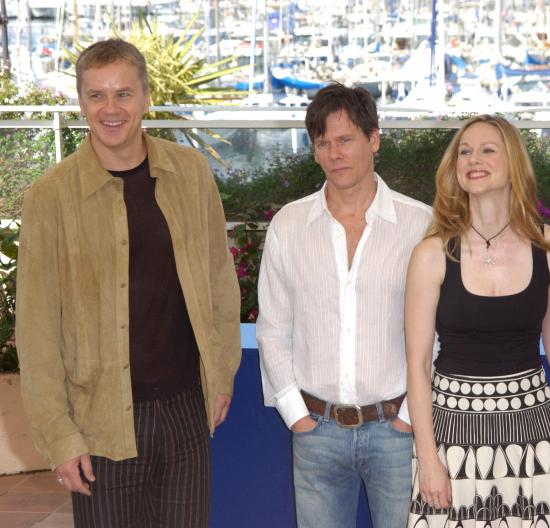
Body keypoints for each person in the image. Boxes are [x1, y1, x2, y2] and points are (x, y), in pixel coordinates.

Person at [16, 39, 241, 526]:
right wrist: (60, 436)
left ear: (145, 97)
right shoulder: (51, 197)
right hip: (99, 425)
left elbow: (220, 283)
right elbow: (35, 333)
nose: (111, 108)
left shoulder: (190, 173)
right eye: (97, 95)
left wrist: (221, 372)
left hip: (185, 413)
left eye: (123, 93)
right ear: (81, 102)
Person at [256, 83, 432, 528]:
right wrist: (296, 416)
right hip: (316, 431)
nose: (334, 153)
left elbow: (440, 332)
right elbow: (273, 328)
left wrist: (410, 417)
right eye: (323, 143)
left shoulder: (420, 224)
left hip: (398, 430)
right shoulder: (289, 226)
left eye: (346, 139)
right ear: (314, 151)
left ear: (374, 139)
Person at [405, 114, 550, 527]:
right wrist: (428, 457)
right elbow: (416, 365)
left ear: (514, 163)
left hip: (533, 425)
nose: (474, 159)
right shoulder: (432, 254)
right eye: (465, 152)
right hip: (452, 430)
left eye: (488, 149)